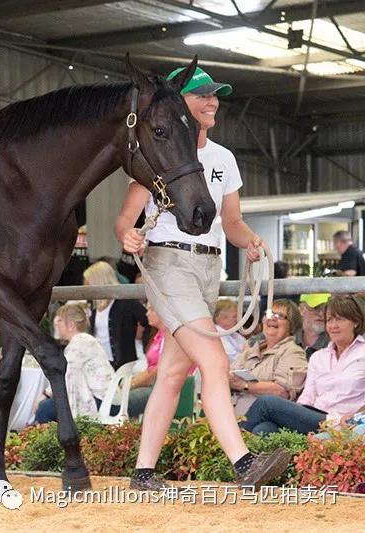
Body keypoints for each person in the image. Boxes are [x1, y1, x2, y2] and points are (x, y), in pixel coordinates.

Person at [115, 65, 290, 490]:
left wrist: (250, 242)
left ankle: (143, 472)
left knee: (173, 374)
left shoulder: (224, 159)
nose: (212, 101)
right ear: (181, 103)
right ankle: (244, 464)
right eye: (203, 94)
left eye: (215, 95)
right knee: (213, 361)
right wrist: (130, 235)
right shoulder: (158, 155)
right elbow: (124, 220)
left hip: (210, 267)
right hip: (170, 264)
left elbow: (232, 223)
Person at [241, 295, 365, 435]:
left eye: (340, 319)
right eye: (329, 320)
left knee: (266, 403)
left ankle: (225, 449)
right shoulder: (319, 357)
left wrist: (356, 418)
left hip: (344, 421)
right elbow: (308, 395)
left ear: (356, 322)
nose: (333, 326)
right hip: (315, 418)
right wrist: (294, 414)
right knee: (264, 429)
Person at [35, 303, 117, 423]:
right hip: (109, 397)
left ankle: (56, 439)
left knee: (43, 409)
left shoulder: (79, 344)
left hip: (102, 401)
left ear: (71, 325)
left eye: (60, 320)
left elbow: (64, 374)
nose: (57, 324)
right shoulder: (87, 340)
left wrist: (45, 395)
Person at [229, 300, 307, 417]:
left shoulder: (293, 352)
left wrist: (244, 385)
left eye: (280, 316)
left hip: (264, 418)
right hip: (233, 412)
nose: (271, 319)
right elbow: (230, 375)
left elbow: (281, 391)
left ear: (291, 325)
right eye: (268, 314)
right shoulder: (251, 351)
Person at [83, 261, 149, 370]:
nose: (86, 288)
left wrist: (141, 340)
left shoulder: (126, 303)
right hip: (99, 366)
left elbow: (149, 321)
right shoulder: (93, 308)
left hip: (124, 366)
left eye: (88, 284)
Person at [297, 293, 330, 357]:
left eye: (325, 308)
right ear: (301, 309)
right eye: (315, 308)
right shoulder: (288, 338)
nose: (321, 313)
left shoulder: (335, 344)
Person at [214, 299, 246, 365]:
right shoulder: (216, 334)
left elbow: (247, 346)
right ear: (221, 318)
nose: (237, 319)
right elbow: (232, 357)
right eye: (234, 316)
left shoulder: (233, 334)